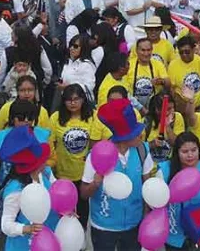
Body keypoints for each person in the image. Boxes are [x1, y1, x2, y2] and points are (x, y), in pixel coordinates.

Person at [80, 98, 154, 251]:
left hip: (134, 224)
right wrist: (95, 183)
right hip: (103, 228)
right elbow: (84, 194)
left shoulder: (143, 151)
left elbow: (148, 186)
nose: (141, 134)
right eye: (136, 132)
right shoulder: (96, 156)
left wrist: (146, 217)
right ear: (124, 137)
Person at [156, 132, 200, 249]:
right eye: (185, 152)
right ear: (177, 153)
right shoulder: (164, 170)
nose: (190, 155)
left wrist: (199, 211)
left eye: (194, 150)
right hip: (175, 234)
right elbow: (156, 203)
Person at [0, 126, 60, 251]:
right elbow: (6, 225)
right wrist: (26, 229)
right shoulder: (15, 189)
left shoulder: (46, 173)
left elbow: (57, 192)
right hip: (24, 245)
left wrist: (66, 209)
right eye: (44, 159)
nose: (46, 161)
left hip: (48, 240)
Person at [49, 84, 96, 227]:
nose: (73, 103)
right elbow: (50, 144)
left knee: (82, 214)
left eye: (76, 99)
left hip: (84, 175)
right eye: (69, 100)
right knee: (62, 215)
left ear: (83, 100)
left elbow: (100, 140)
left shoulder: (93, 116)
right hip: (62, 174)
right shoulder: (56, 117)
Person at [126, 37, 170, 110]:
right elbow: (124, 89)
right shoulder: (129, 65)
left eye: (148, 50)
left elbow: (168, 83)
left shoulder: (158, 64)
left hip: (154, 107)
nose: (146, 53)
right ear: (136, 51)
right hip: (133, 107)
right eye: (143, 50)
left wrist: (162, 81)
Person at [168, 35, 200, 108]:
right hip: (183, 107)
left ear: (193, 49)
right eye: (181, 52)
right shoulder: (173, 64)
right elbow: (171, 88)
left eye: (187, 52)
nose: (184, 55)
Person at [144, 93, 185, 162]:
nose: (172, 111)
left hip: (170, 165)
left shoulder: (177, 117)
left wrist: (168, 126)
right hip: (152, 167)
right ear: (157, 110)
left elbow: (178, 144)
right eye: (168, 109)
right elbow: (139, 148)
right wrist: (151, 144)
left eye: (173, 108)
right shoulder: (147, 122)